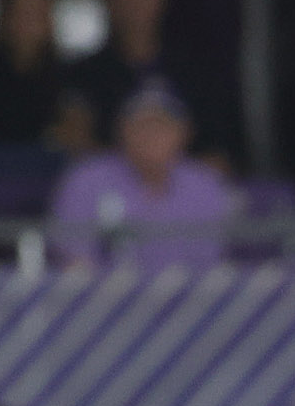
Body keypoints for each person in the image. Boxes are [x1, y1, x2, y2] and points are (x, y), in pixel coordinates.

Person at [71, 0, 243, 166]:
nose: (132, 3)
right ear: (108, 2)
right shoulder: (85, 75)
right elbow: (78, 149)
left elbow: (223, 157)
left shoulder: (199, 73)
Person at [48, 87, 236, 272]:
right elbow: (73, 261)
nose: (151, 136)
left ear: (184, 133)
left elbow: (213, 264)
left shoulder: (205, 184)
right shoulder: (85, 179)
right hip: (106, 296)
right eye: (141, 126)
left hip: (189, 297)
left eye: (162, 127)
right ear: (122, 130)